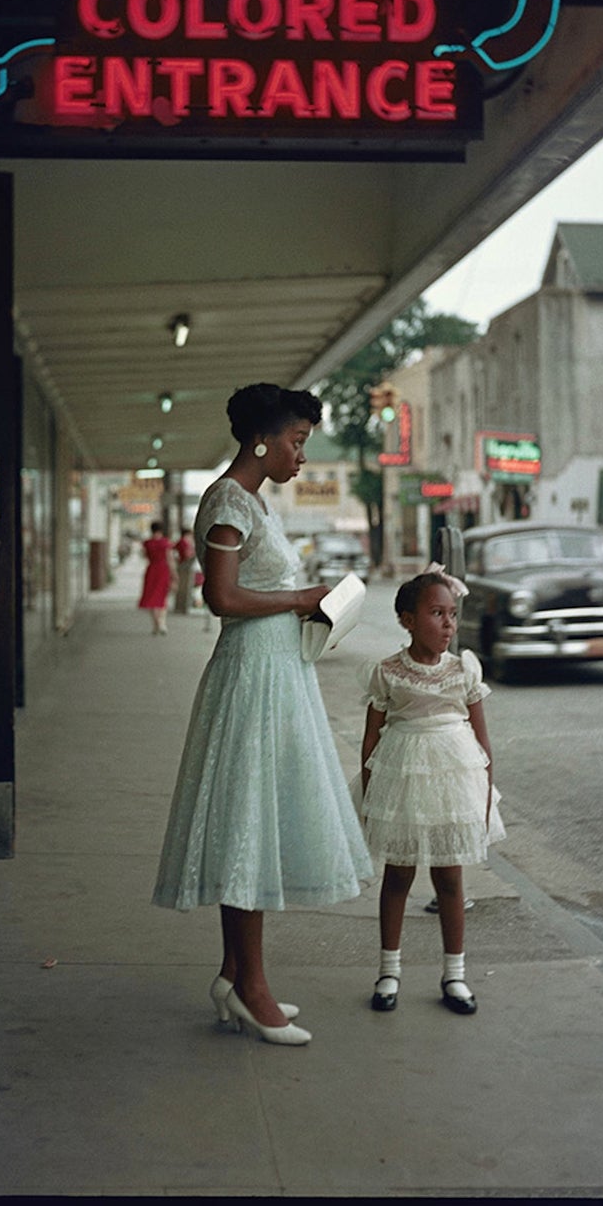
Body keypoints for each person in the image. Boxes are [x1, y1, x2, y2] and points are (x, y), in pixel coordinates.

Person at [152, 383, 373, 1046]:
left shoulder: (252, 503)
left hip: (279, 671)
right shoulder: (227, 500)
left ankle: (234, 973)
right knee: (248, 822)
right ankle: (252, 986)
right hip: (253, 674)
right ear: (262, 440)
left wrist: (311, 605)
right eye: (297, 441)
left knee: (258, 821)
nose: (302, 456)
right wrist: (303, 595)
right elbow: (220, 598)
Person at [355, 566, 506, 1016]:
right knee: (398, 876)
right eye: (436, 613)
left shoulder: (463, 671)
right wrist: (370, 797)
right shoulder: (388, 673)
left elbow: (481, 743)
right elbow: (371, 739)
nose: (448, 625)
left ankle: (455, 974)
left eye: (452, 614)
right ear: (407, 619)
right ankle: (388, 970)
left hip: (453, 782)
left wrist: (483, 794)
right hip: (403, 779)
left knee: (449, 879)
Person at [138, 521, 174, 634]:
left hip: (151, 570)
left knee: (152, 598)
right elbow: (170, 559)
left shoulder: (147, 543)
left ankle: (156, 624)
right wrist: (174, 574)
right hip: (163, 570)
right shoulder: (165, 543)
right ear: (162, 530)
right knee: (162, 597)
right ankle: (162, 623)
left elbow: (144, 556)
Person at [173, 528, 195, 615]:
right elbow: (187, 555)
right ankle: (182, 607)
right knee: (184, 587)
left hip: (182, 566)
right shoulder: (184, 543)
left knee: (183, 588)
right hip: (185, 567)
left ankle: (181, 606)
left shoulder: (181, 542)